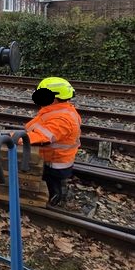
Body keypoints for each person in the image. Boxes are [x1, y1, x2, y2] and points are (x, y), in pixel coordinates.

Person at [25, 77, 82, 206]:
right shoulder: (60, 110)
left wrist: (12, 137)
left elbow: (41, 137)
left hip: (55, 162)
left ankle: (54, 196)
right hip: (53, 158)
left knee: (51, 181)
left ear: (54, 98)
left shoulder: (62, 119)